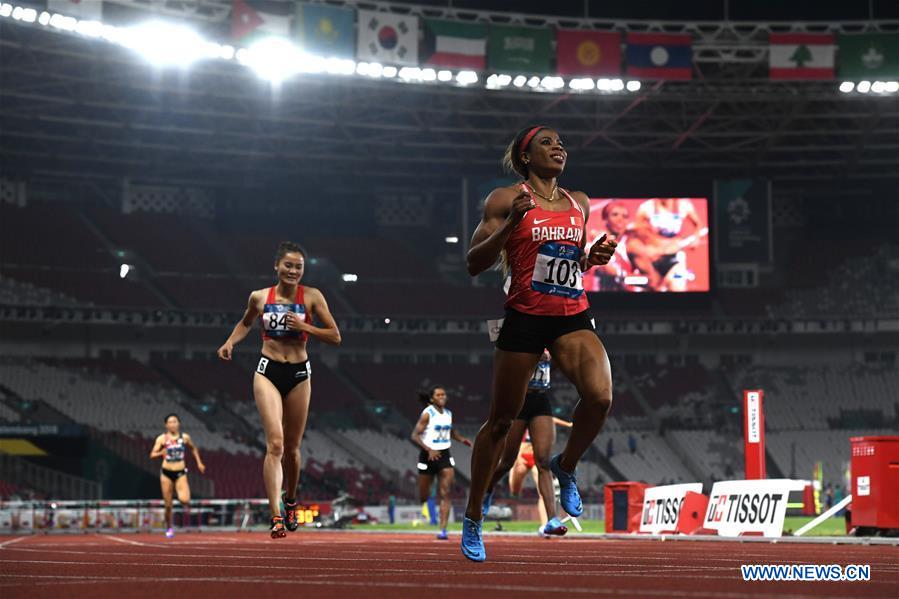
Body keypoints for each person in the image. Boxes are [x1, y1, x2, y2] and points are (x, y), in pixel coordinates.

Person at [461, 125, 617, 561]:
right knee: (499, 422)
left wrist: (592, 259)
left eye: (561, 141)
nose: (559, 146)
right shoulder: (504, 199)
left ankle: (566, 466)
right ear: (526, 157)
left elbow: (570, 262)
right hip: (525, 319)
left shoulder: (578, 203)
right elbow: (474, 263)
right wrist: (510, 224)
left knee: (601, 397)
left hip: (571, 316)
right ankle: (473, 516)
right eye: (547, 142)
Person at [217, 241, 341, 538]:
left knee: (293, 451)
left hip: (299, 373)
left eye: (299, 266)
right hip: (267, 371)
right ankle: (275, 516)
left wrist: (304, 326)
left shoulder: (312, 297)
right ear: (276, 266)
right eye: (288, 265)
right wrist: (230, 342)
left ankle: (291, 500)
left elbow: (335, 336)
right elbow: (245, 323)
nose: (293, 271)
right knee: (275, 444)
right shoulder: (259, 297)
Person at [482, 349, 573, 533]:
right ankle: (486, 490)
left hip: (541, 399)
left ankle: (552, 520)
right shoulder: (522, 340)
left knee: (544, 462)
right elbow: (504, 360)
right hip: (518, 399)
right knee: (507, 461)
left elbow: (552, 366)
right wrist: (532, 355)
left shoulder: (551, 343)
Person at [410, 386, 472, 540]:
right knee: (424, 494)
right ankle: (426, 510)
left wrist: (461, 439)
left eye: (444, 394)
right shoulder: (427, 414)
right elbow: (414, 435)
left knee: (446, 493)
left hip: (444, 454)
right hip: (427, 455)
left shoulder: (448, 413)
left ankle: (443, 530)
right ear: (432, 399)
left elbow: (450, 432)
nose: (442, 397)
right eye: (438, 395)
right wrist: (429, 449)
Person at [626, 198, 703, 291]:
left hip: (675, 258)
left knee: (678, 288)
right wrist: (645, 250)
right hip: (653, 260)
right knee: (652, 289)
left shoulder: (683, 205)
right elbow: (636, 232)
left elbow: (698, 224)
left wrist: (696, 238)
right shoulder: (647, 207)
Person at [149, 413, 205, 538]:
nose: (172, 424)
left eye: (175, 421)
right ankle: (169, 527)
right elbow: (152, 454)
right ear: (166, 425)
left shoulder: (184, 437)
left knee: (185, 500)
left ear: (179, 423)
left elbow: (193, 449)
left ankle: (176, 493)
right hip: (166, 473)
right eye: (170, 422)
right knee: (168, 505)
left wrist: (199, 463)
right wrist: (161, 452)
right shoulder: (161, 439)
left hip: (180, 472)